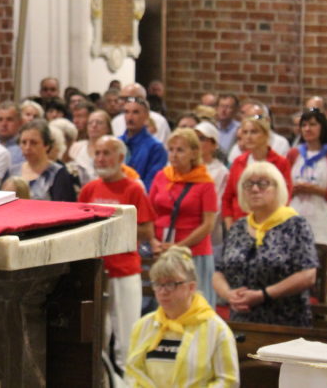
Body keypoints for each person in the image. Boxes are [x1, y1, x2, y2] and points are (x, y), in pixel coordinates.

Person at [79, 135, 156, 372]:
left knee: (127, 337)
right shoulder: (89, 189)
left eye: (107, 153)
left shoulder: (134, 189)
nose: (101, 158)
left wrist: (113, 226)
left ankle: (130, 381)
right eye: (98, 153)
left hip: (124, 270)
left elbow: (147, 230)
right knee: (97, 338)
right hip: (95, 270)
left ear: (121, 157)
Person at [214, 161, 318, 326]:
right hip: (241, 321)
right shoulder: (238, 227)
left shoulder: (296, 225)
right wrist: (228, 294)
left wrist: (263, 295)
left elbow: (308, 275)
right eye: (249, 184)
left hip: (285, 322)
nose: (255, 189)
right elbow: (218, 271)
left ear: (278, 188)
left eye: (263, 184)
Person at [126, 247, 239, 387]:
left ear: (191, 287)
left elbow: (228, 381)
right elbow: (132, 375)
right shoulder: (142, 326)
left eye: (170, 284)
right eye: (158, 284)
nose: (163, 291)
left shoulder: (217, 329)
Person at [149, 129, 218, 304]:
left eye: (180, 150)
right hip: (162, 250)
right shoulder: (161, 176)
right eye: (171, 149)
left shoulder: (205, 183)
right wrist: (153, 241)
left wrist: (178, 247)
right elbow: (149, 213)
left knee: (192, 302)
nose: (174, 154)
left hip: (193, 252)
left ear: (194, 153)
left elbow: (208, 224)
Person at [286, 107, 327, 247]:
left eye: (312, 124)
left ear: (323, 127)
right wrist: (294, 190)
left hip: (323, 227)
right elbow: (282, 190)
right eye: (304, 125)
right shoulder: (293, 154)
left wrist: (318, 191)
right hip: (293, 222)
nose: (307, 129)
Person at [221, 115, 292, 228]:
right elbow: (227, 198)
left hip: (269, 224)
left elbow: (285, 198)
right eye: (245, 132)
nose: (248, 137)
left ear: (266, 135)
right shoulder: (238, 162)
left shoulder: (280, 163)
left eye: (254, 132)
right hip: (240, 224)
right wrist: (230, 227)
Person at [5, 119, 77, 201]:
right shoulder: (12, 171)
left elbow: (65, 205)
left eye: (33, 143)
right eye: (24, 142)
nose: (27, 147)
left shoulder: (57, 173)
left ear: (46, 145)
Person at [195, 121, 229, 260]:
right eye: (194, 138)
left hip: (210, 236)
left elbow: (218, 207)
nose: (197, 143)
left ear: (214, 144)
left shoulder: (221, 171)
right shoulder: (186, 168)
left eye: (202, 138)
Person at [120, 95, 168, 190]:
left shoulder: (156, 148)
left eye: (135, 112)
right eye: (126, 112)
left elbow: (151, 184)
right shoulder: (116, 143)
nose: (130, 117)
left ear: (146, 116)